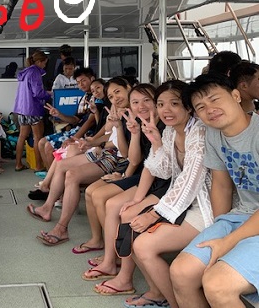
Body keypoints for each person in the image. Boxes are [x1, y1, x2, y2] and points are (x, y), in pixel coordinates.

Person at [93, 80, 213, 308]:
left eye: (174, 104)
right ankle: (161, 294)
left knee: (143, 244)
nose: (166, 110)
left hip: (203, 207)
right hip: (182, 202)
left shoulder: (198, 132)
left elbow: (190, 182)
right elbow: (164, 170)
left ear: (188, 106)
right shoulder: (170, 132)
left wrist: (154, 213)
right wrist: (157, 142)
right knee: (133, 230)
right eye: (161, 104)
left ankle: (173, 301)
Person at [170, 73, 259, 307]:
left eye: (215, 99)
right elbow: (221, 185)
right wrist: (218, 229)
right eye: (201, 107)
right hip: (241, 215)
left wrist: (228, 242)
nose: (209, 109)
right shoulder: (213, 135)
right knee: (181, 272)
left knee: (217, 284)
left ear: (236, 96)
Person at [28, 77, 133, 245]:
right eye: (111, 96)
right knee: (62, 164)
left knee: (72, 175)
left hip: (115, 158)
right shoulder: (118, 110)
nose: (115, 98)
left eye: (117, 92)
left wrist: (99, 141)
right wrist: (93, 142)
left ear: (128, 87)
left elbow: (123, 148)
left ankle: (61, 228)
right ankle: (47, 207)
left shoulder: (133, 115)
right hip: (106, 151)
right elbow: (109, 134)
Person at [74, 84, 159, 255]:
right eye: (111, 96)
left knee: (101, 197)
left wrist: (125, 175)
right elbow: (132, 157)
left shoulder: (156, 124)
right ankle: (101, 242)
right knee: (90, 191)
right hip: (137, 170)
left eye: (146, 100)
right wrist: (121, 127)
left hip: (146, 175)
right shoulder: (133, 120)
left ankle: (113, 252)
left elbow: (136, 161)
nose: (141, 106)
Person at [13, 50, 52, 172]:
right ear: (39, 62)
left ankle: (18, 164)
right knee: (37, 137)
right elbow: (38, 93)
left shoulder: (25, 72)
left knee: (21, 137)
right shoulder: (35, 72)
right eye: (44, 63)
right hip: (33, 109)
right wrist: (49, 94)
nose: (44, 66)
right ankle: (39, 166)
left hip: (21, 109)